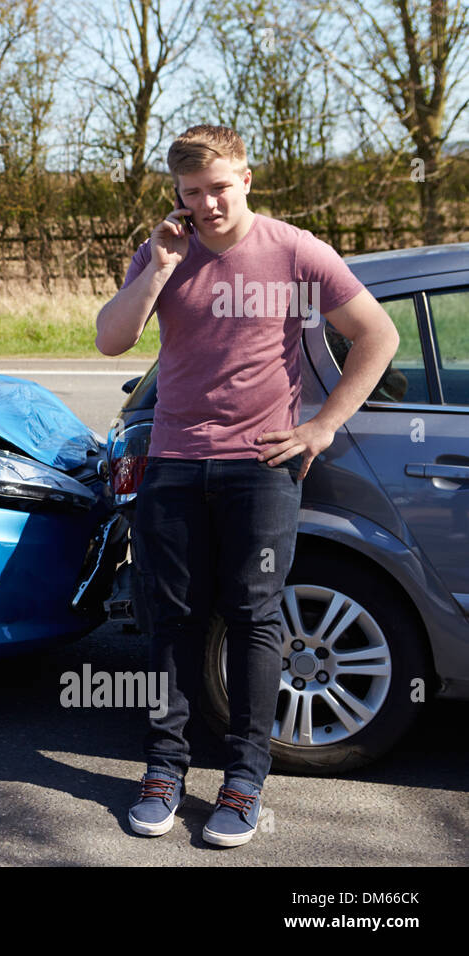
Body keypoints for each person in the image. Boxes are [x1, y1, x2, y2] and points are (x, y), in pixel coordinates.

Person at [95, 126, 398, 846]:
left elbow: (376, 335)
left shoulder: (296, 251)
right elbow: (111, 339)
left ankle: (243, 781)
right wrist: (159, 268)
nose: (207, 204)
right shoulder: (166, 250)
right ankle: (164, 771)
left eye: (219, 188)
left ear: (247, 180)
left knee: (256, 620)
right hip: (173, 461)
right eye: (191, 193)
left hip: (260, 467)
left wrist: (322, 426)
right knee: (171, 621)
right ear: (177, 193)